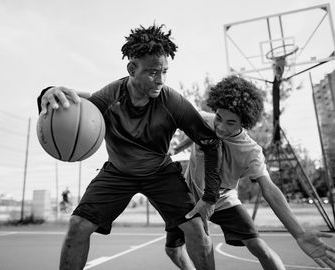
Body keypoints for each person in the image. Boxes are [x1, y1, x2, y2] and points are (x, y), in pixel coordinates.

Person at [37, 24, 221, 270]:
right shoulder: (110, 96)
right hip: (118, 172)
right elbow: (74, 104)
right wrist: (47, 93)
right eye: (153, 72)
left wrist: (210, 197)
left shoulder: (172, 101)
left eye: (165, 71)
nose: (161, 79)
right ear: (132, 69)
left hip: (159, 173)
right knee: (78, 227)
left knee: (197, 230)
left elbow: (210, 142)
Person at [165, 75, 335, 270]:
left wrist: (299, 233)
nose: (220, 127)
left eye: (231, 123)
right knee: (173, 250)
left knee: (258, 246)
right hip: (189, 196)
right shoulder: (205, 120)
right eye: (219, 118)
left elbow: (269, 190)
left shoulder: (251, 151)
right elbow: (194, 131)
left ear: (244, 123)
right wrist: (177, 149)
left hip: (223, 200)